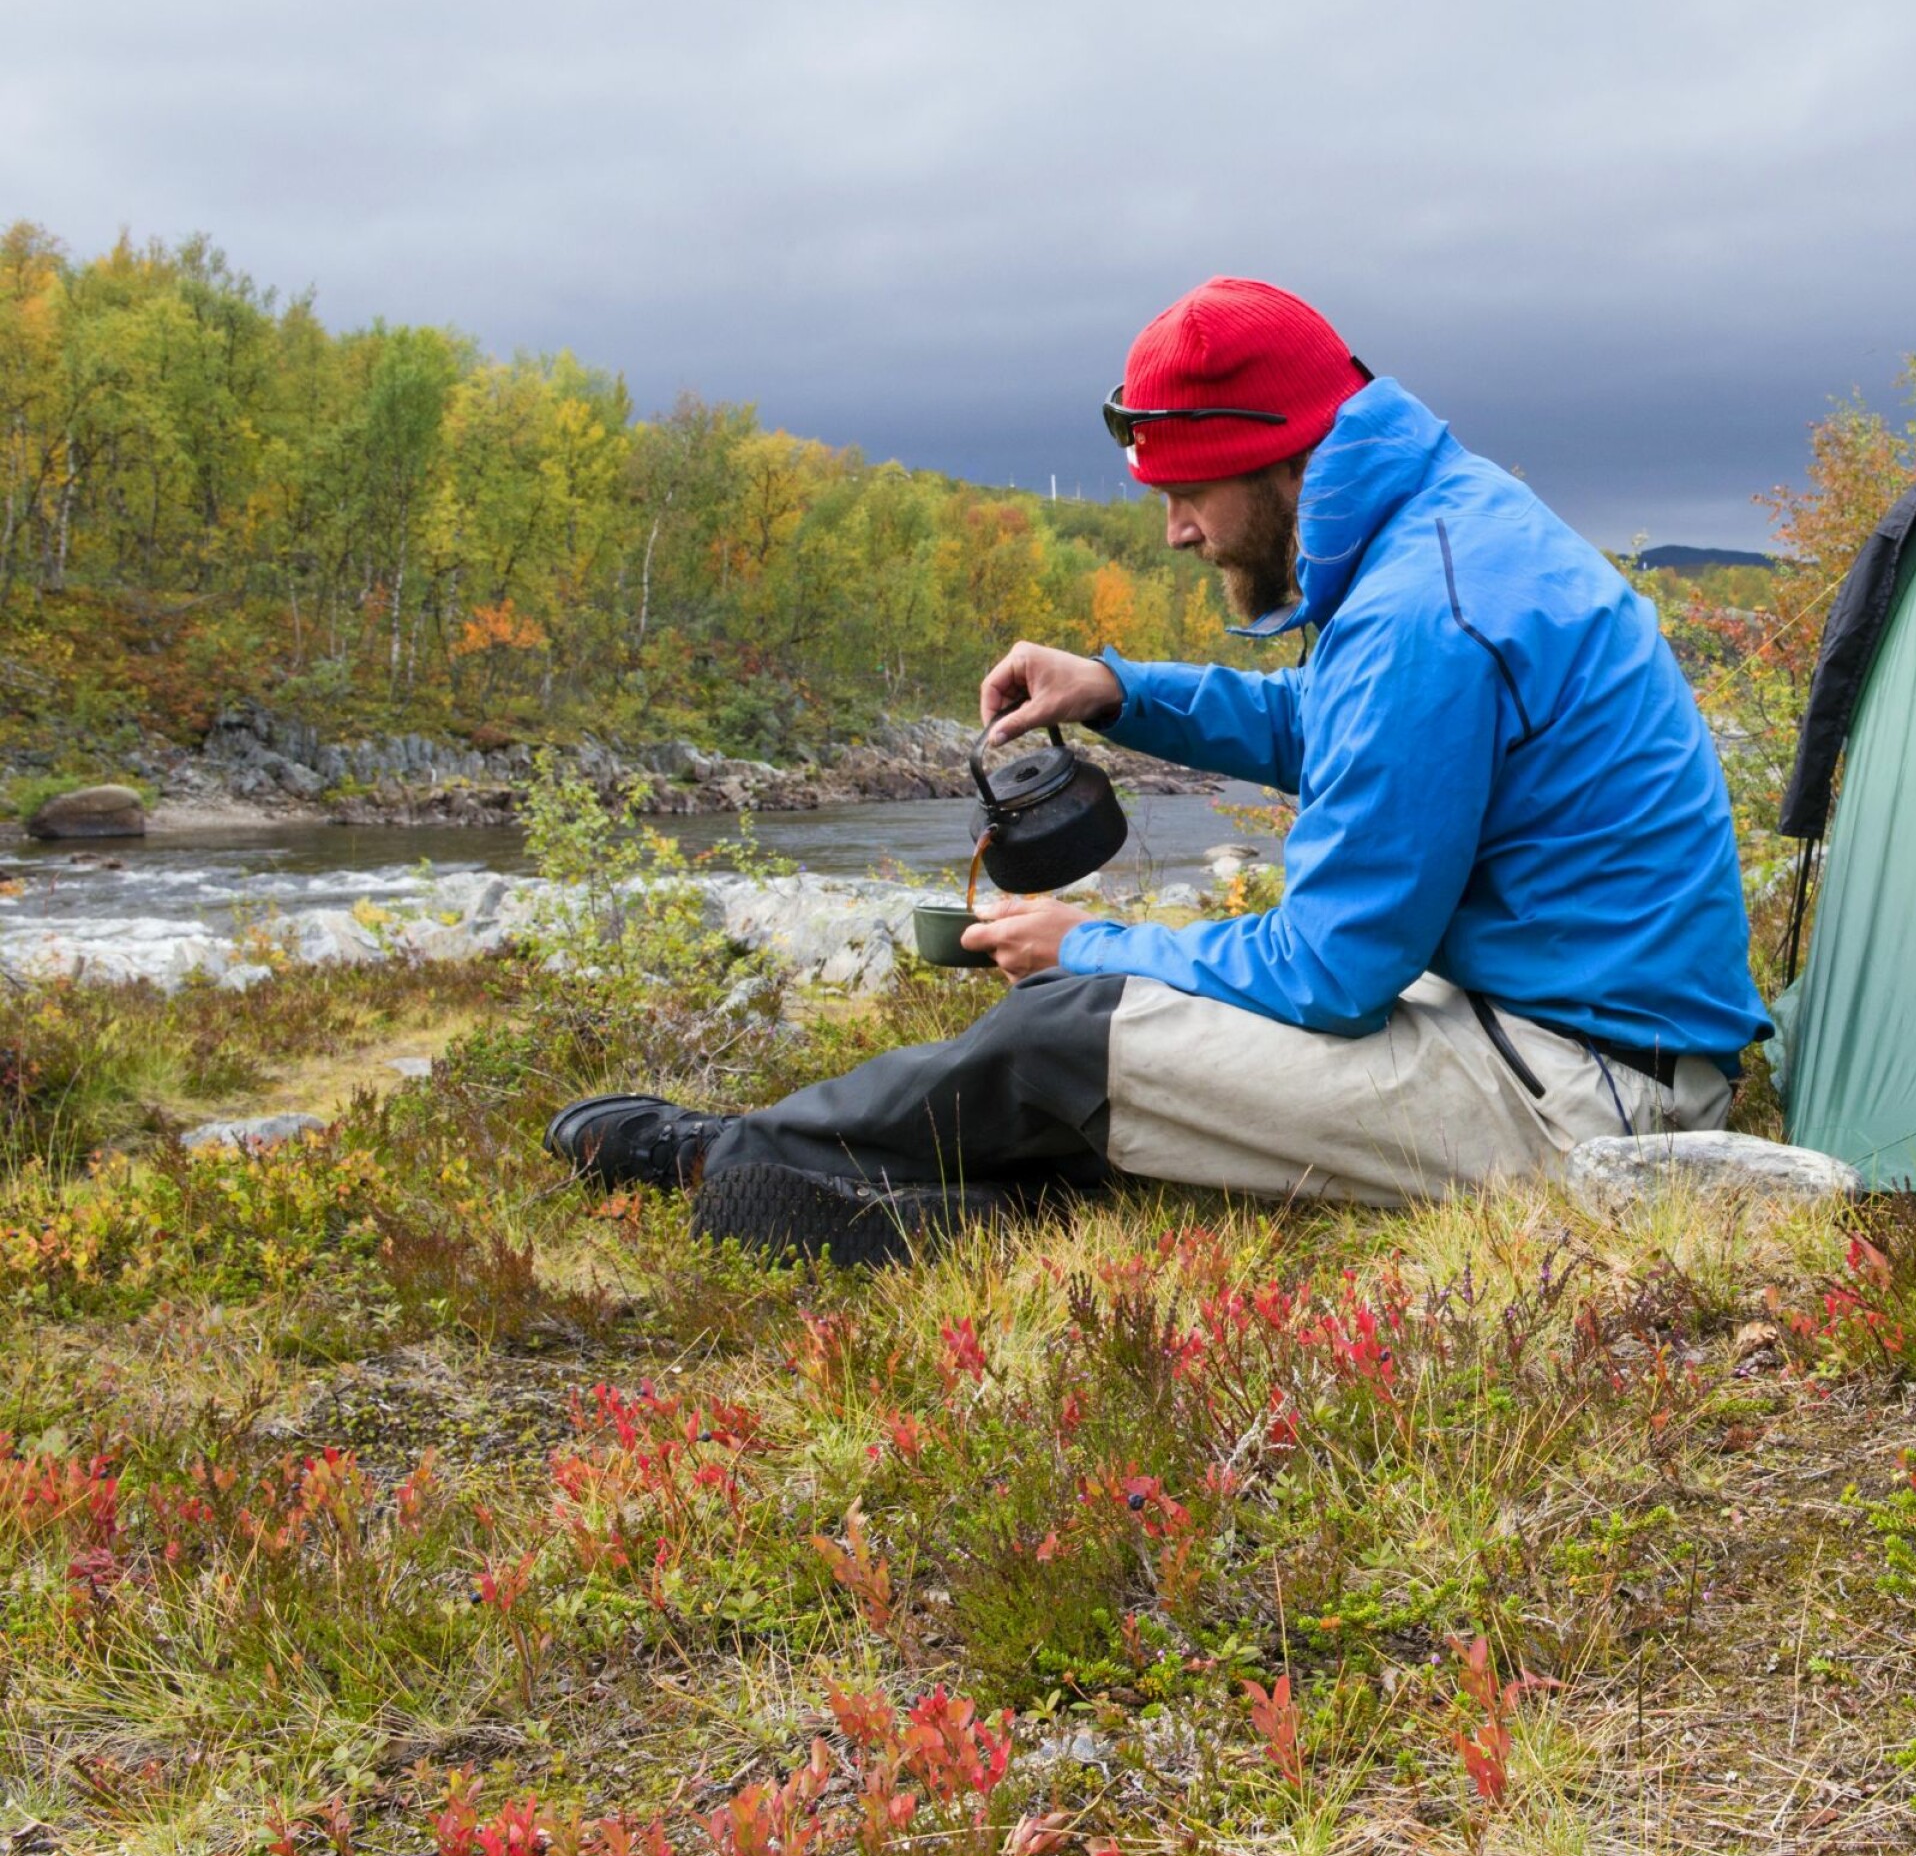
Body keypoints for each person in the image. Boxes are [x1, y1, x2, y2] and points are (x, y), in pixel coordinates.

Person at [547, 277, 1770, 1256]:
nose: (1176, 530)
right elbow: (1334, 729)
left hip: (1590, 1103)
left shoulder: (1421, 613)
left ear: (1277, 454)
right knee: (1134, 1017)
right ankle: (940, 1203)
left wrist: (1080, 941)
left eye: (1185, 493)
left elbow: (1330, 971)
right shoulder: (1442, 525)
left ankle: (734, 1160)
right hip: (1568, 1029)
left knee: (1074, 1025)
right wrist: (1124, 692)